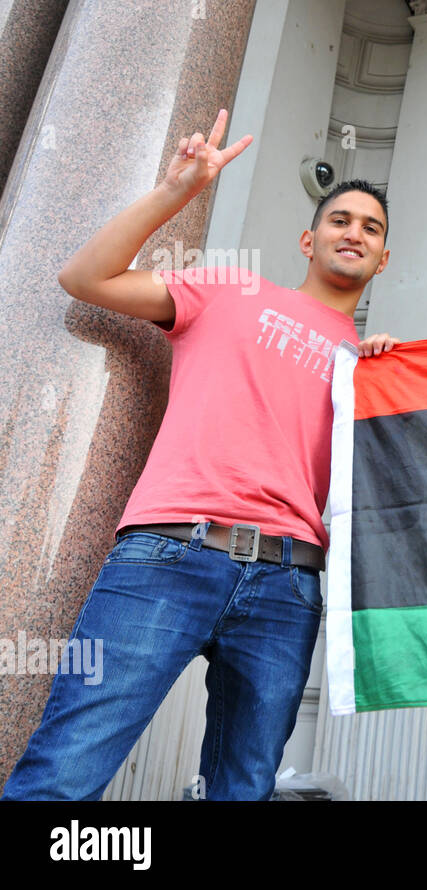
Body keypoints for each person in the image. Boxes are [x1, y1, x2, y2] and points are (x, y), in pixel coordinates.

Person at [3, 110, 399, 801]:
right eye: (342, 220)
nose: (355, 233)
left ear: (383, 258)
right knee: (62, 779)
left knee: (242, 791)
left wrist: (387, 382)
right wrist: (176, 191)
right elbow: (84, 278)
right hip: (172, 552)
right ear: (310, 239)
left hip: (290, 583)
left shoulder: (371, 366)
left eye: (371, 228)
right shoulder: (229, 291)